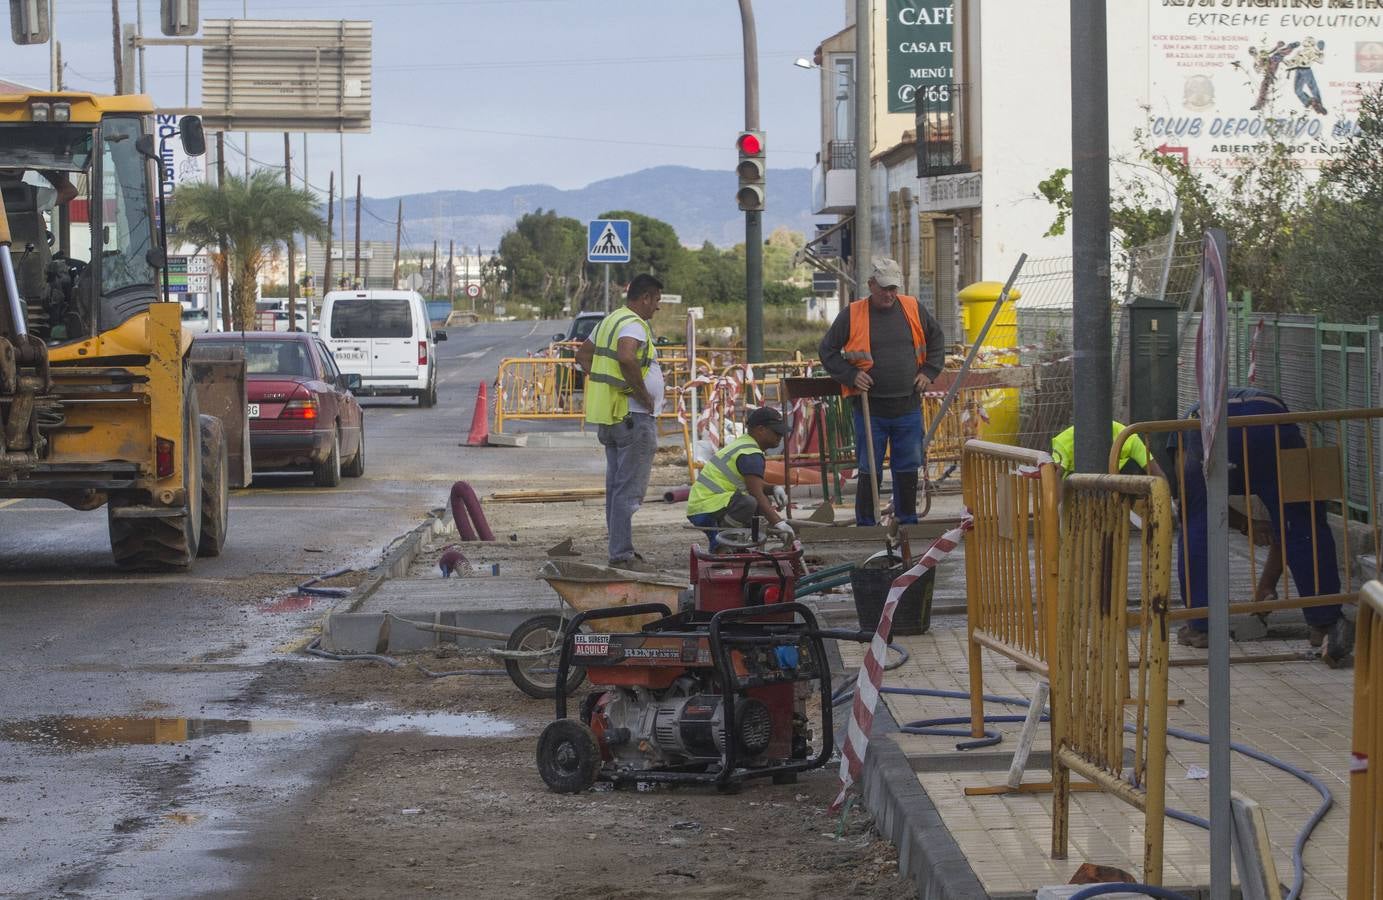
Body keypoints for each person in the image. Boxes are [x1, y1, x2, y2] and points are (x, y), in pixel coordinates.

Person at [1172, 387, 1352, 666]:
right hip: (1272, 422)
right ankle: (1325, 621)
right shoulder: (1261, 409)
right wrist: (1249, 526)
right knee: (1301, 521)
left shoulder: (1177, 433)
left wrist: (1264, 584)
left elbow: (1189, 506)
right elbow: (1286, 529)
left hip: (1210, 425)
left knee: (1197, 520)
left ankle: (1201, 625)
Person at [818, 257, 945, 526]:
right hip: (869, 408)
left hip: (907, 406)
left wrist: (929, 371)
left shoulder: (912, 308)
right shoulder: (852, 314)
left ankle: (906, 520)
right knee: (869, 469)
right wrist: (851, 375)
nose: (889, 294)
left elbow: (936, 339)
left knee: (908, 466)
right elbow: (827, 350)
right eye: (884, 288)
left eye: (894, 288)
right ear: (871, 284)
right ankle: (867, 523)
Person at [574, 274, 663, 573]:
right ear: (645, 298)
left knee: (615, 488)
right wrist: (642, 395)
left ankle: (618, 549)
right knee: (629, 490)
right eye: (656, 301)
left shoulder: (609, 321)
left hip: (611, 415)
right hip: (632, 416)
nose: (658, 308)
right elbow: (626, 356)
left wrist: (607, 384)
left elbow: (583, 355)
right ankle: (621, 555)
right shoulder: (633, 324)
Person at [686, 407, 793, 549]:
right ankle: (722, 545)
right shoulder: (750, 453)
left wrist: (774, 488)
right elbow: (756, 493)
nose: (780, 436)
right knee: (749, 503)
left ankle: (736, 544)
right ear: (760, 429)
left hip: (706, 504)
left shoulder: (745, 445)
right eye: (776, 432)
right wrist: (778, 523)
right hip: (707, 508)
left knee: (760, 504)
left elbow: (755, 484)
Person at [1049, 421, 1162, 477]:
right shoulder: (1064, 442)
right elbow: (1056, 477)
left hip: (1114, 488)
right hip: (1074, 495)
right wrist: (1061, 510)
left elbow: (1155, 470)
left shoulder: (1127, 437)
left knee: (1135, 469)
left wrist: (1168, 504)